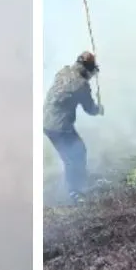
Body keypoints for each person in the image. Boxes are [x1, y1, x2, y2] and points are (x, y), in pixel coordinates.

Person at [43, 51, 102, 201]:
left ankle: (70, 186)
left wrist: (90, 74)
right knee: (76, 154)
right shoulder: (81, 84)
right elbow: (90, 109)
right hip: (60, 126)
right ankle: (75, 192)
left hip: (45, 121)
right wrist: (99, 109)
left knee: (70, 155)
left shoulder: (63, 71)